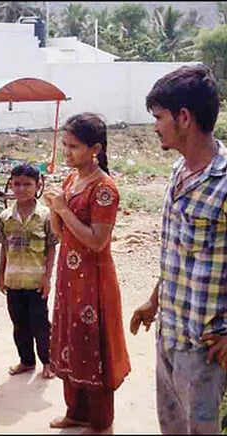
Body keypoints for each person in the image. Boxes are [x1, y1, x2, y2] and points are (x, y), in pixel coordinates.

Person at [130, 64, 227, 434]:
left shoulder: (224, 182)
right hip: (169, 334)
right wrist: (154, 301)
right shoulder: (177, 172)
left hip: (206, 349)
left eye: (159, 117)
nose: (155, 126)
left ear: (184, 117)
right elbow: (178, 254)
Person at [43, 112, 131, 432]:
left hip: (94, 280)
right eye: (65, 145)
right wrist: (55, 209)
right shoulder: (71, 181)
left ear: (95, 149)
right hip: (69, 277)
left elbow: (97, 241)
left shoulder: (104, 188)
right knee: (71, 339)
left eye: (74, 146)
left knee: (93, 345)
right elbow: (60, 233)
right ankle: (76, 411)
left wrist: (63, 209)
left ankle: (100, 421)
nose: (66, 152)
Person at [0, 162, 57, 380]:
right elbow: (4, 248)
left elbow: (51, 248)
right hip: (13, 281)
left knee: (40, 324)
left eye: (27, 184)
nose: (21, 189)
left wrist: (47, 278)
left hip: (36, 281)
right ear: (11, 185)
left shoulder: (46, 216)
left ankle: (48, 362)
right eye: (17, 184)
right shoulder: (5, 217)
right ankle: (26, 361)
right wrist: (1, 275)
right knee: (19, 324)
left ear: (38, 185)